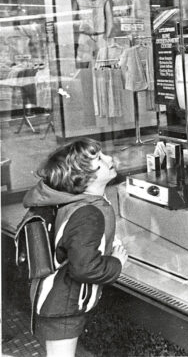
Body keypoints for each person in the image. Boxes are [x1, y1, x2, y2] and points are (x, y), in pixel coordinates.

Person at [21, 138, 128, 356]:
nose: (109, 159)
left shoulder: (76, 203)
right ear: (84, 177)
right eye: (98, 158)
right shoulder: (88, 213)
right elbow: (85, 268)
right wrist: (116, 263)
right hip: (63, 305)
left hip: (58, 300)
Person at [73, 0, 112, 65]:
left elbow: (109, 22)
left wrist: (106, 37)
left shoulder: (104, 1)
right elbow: (71, 21)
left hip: (100, 38)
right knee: (84, 66)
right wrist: (82, 26)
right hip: (84, 38)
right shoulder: (79, 1)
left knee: (102, 67)